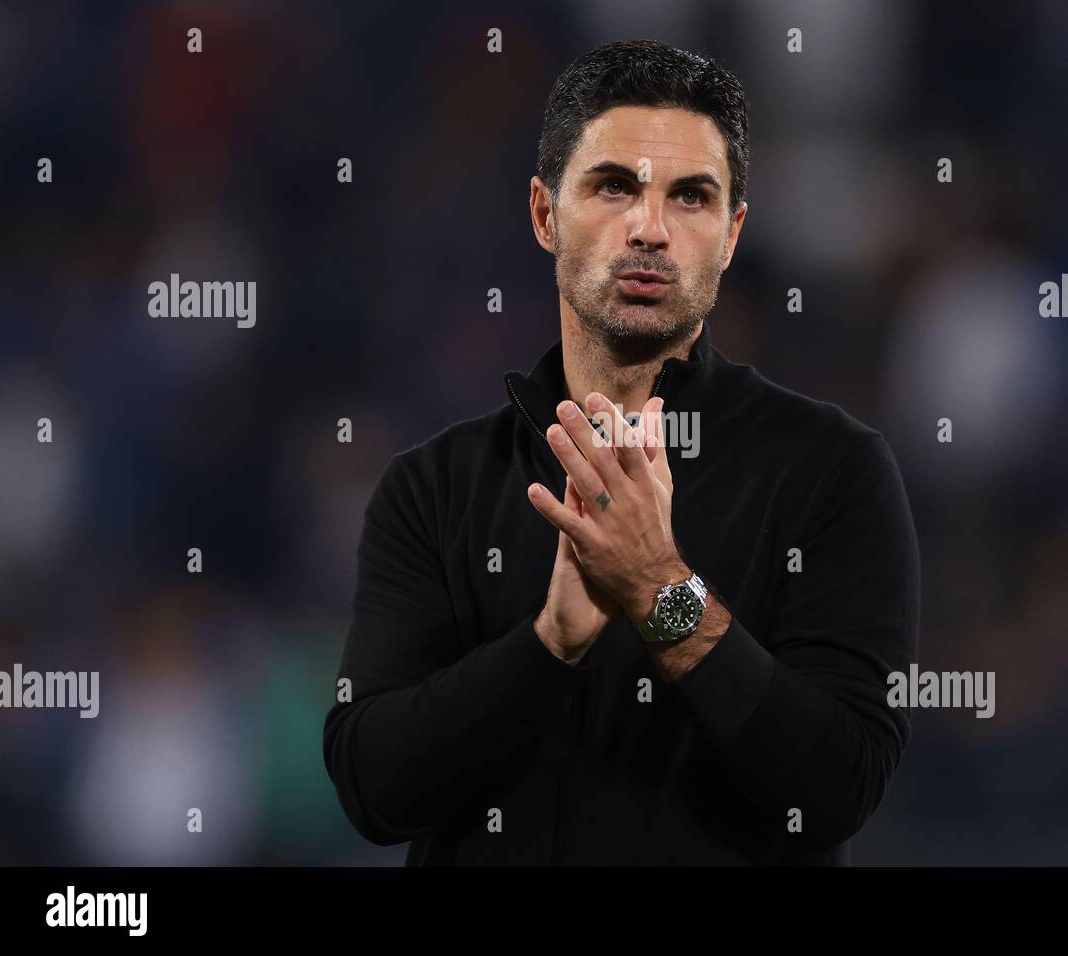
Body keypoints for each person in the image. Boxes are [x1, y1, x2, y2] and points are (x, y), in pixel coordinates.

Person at [322, 38, 920, 865]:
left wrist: (659, 589)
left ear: (733, 234)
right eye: (614, 187)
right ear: (544, 213)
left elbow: (841, 784)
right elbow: (371, 788)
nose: (650, 228)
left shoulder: (833, 472)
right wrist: (547, 647)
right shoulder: (435, 488)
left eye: (691, 197)